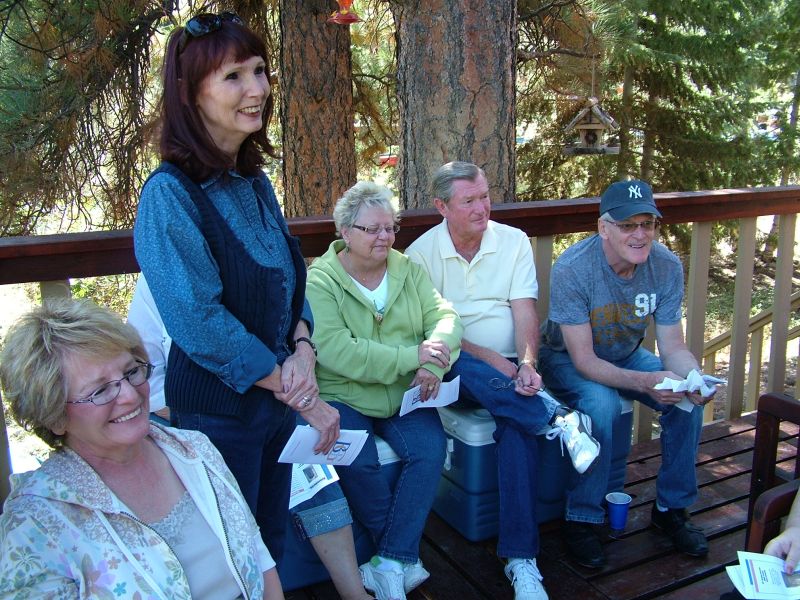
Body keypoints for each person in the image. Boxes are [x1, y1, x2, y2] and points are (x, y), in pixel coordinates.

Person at [132, 12, 373, 599]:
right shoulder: (168, 196)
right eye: (233, 76)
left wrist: (303, 346)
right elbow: (199, 323)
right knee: (233, 560)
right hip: (217, 419)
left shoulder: (253, 181)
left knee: (269, 546)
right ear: (190, 94)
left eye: (260, 70)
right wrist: (301, 392)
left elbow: (290, 281)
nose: (257, 88)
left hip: (272, 410)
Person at [405, 161, 600, 600]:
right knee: (462, 362)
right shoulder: (420, 255)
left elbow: (524, 310)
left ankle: (520, 558)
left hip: (513, 369)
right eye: (469, 201)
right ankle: (557, 417)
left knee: (516, 429)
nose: (482, 208)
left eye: (485, 196)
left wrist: (527, 363)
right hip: (458, 363)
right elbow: (432, 332)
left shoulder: (512, 241)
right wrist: (492, 358)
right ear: (442, 206)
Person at [0, 299, 282, 598]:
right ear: (54, 416)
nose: (130, 396)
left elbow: (257, 553)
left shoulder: (194, 450)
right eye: (100, 390)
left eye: (131, 372)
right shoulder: (33, 526)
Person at [126, 275, 373, 599]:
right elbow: (150, 380)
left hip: (274, 410)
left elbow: (294, 310)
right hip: (197, 422)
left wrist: (301, 359)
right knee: (240, 503)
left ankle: (354, 593)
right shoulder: (161, 280)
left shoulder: (256, 267)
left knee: (315, 477)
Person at [538, 179, 715, 569]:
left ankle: (671, 509)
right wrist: (645, 383)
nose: (639, 234)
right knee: (601, 405)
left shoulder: (666, 266)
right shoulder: (573, 268)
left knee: (688, 403)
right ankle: (581, 518)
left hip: (627, 354)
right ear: (604, 228)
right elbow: (584, 361)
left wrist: (694, 378)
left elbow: (673, 346)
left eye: (647, 224)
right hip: (564, 357)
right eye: (627, 225)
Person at [306, 181, 463, 600]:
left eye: (390, 228)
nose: (385, 237)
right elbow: (336, 350)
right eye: (372, 229)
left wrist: (431, 363)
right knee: (359, 460)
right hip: (344, 393)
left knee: (429, 449)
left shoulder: (406, 270)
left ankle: (389, 563)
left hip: (402, 392)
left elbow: (446, 319)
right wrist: (413, 356)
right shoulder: (320, 281)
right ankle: (400, 557)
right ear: (345, 232)